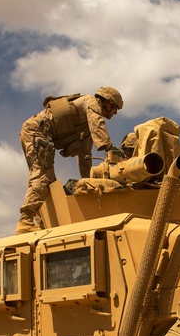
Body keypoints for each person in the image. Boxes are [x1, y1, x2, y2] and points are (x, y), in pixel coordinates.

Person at [16, 86, 123, 234]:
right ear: (107, 102)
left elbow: (85, 156)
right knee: (43, 176)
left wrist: (88, 183)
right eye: (115, 107)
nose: (115, 112)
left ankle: (41, 226)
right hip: (37, 132)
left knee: (50, 184)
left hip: (39, 134)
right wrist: (109, 148)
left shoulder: (85, 126)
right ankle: (25, 220)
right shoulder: (91, 102)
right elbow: (98, 124)